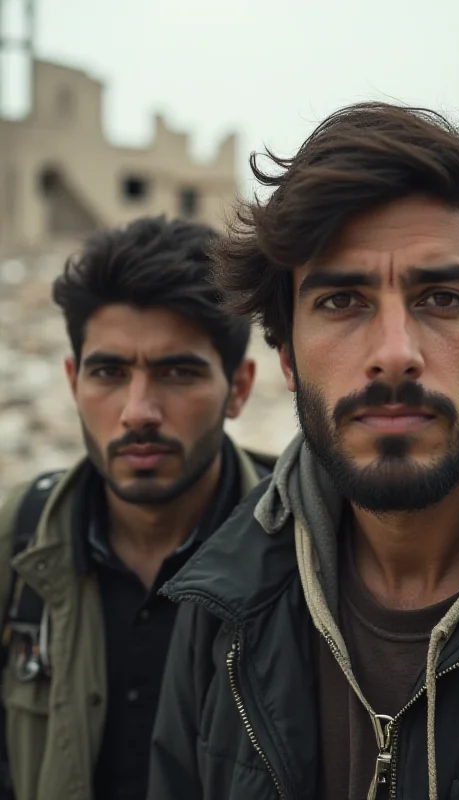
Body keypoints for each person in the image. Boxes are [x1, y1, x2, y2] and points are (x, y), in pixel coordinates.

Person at [148, 104, 459, 800]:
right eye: (342, 301)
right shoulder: (224, 602)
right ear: (288, 358)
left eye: (442, 298)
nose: (394, 355)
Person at [0, 216, 274, 800]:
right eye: (110, 372)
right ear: (73, 381)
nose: (138, 411)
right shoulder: (19, 540)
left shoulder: (302, 546)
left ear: (240, 388)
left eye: (178, 372)